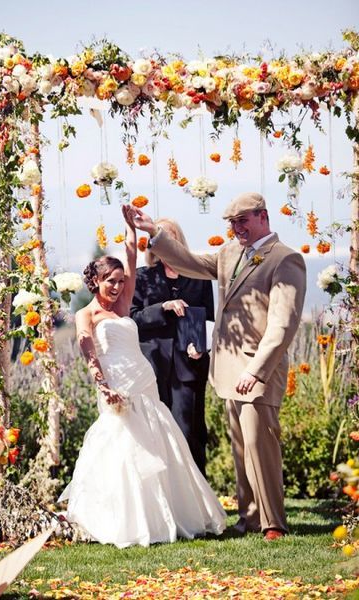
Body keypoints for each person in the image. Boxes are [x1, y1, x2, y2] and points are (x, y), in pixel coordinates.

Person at [124, 192, 306, 541]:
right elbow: (191, 262)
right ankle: (250, 518)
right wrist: (154, 233)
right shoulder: (229, 254)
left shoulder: (286, 259)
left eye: (243, 220)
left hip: (258, 369)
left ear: (263, 217)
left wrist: (256, 370)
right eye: (232, 223)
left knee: (259, 444)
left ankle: (273, 523)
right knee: (241, 446)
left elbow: (283, 325)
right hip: (227, 369)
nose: (236, 228)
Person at [58, 207, 225, 548]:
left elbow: (132, 258)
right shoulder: (85, 314)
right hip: (116, 383)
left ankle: (171, 512)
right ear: (95, 282)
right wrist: (103, 387)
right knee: (120, 445)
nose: (119, 287)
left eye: (121, 282)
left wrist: (130, 229)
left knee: (161, 441)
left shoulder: (121, 306)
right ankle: (122, 518)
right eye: (111, 282)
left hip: (142, 378)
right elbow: (88, 351)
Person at [130, 218, 214, 476]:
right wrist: (162, 308)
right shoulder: (143, 278)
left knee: (190, 431)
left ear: (179, 242)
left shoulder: (198, 276)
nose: (166, 241)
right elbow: (132, 318)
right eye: (160, 237)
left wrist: (201, 347)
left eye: (171, 237)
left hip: (190, 365)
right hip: (153, 366)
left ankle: (199, 501)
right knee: (154, 434)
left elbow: (209, 319)